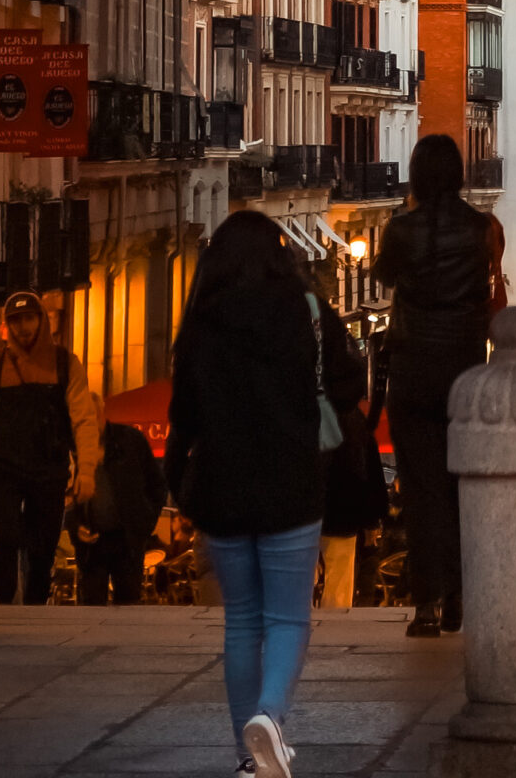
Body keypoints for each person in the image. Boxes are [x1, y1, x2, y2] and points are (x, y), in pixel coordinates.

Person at [165, 211, 323, 778]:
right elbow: (313, 396)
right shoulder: (294, 313)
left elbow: (183, 413)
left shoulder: (201, 324)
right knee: (287, 619)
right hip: (289, 486)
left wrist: (176, 474)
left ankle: (246, 756)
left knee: (242, 622)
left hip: (222, 488)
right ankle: (271, 720)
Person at [374, 133, 503, 637]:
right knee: (461, 486)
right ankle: (458, 597)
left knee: (422, 490)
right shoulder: (480, 228)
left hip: (413, 369)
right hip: (465, 369)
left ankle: (425, 602)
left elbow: (385, 276)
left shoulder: (401, 229)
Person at [0, 289, 99, 604]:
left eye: (29, 318)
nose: (24, 327)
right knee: (5, 538)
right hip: (4, 468)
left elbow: (83, 421)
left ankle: (36, 608)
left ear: (42, 320)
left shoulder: (66, 365)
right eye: (16, 320)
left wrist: (86, 471)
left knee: (44, 547)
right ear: (7, 325)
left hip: (49, 469)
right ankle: (4, 605)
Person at [314, 289, 383, 610]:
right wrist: (371, 518)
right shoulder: (354, 417)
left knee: (297, 575)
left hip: (303, 510)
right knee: (340, 581)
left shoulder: (303, 409)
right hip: (343, 512)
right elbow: (366, 469)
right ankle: (332, 625)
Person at [74, 419, 167, 604]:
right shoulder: (75, 444)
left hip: (127, 539)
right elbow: (68, 494)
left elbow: (157, 485)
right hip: (93, 541)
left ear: (100, 413)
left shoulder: (129, 440)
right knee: (92, 602)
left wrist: (144, 523)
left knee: (128, 601)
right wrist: (76, 524)